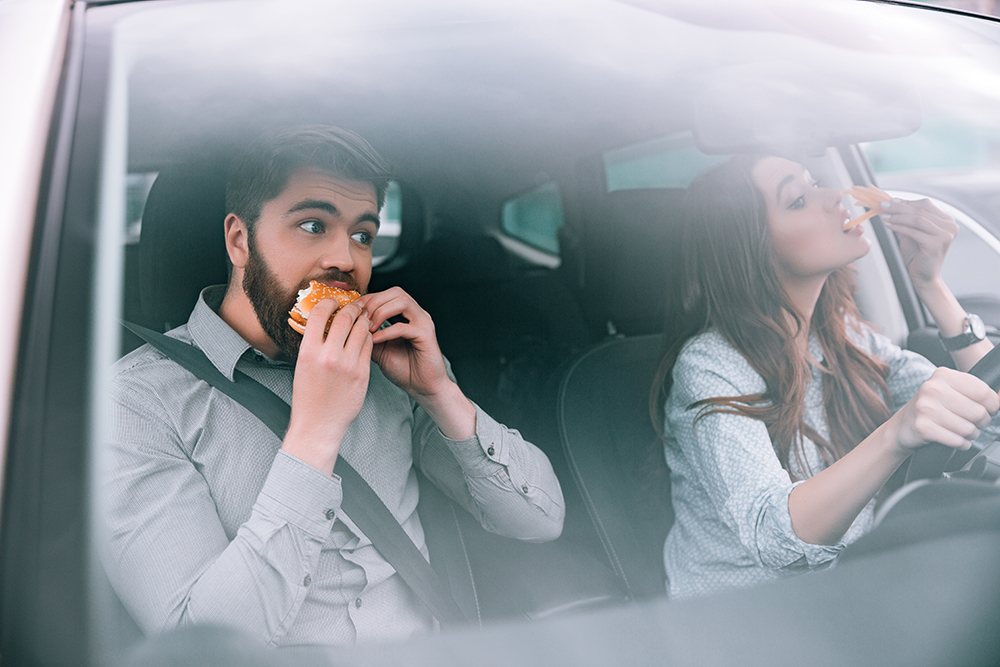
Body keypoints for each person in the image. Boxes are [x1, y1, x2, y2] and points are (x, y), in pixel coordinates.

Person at [105, 125, 564, 646]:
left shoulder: (389, 371)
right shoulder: (134, 404)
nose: (345, 258)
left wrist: (440, 394)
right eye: (312, 225)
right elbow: (198, 647)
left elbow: (539, 520)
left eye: (362, 234)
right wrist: (316, 433)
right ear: (239, 239)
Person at [650, 154, 999, 600]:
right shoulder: (710, 364)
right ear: (751, 246)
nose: (836, 196)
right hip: (740, 621)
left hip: (850, 591)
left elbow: (988, 421)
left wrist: (931, 286)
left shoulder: (843, 335)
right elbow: (777, 540)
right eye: (799, 199)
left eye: (816, 183)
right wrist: (897, 434)